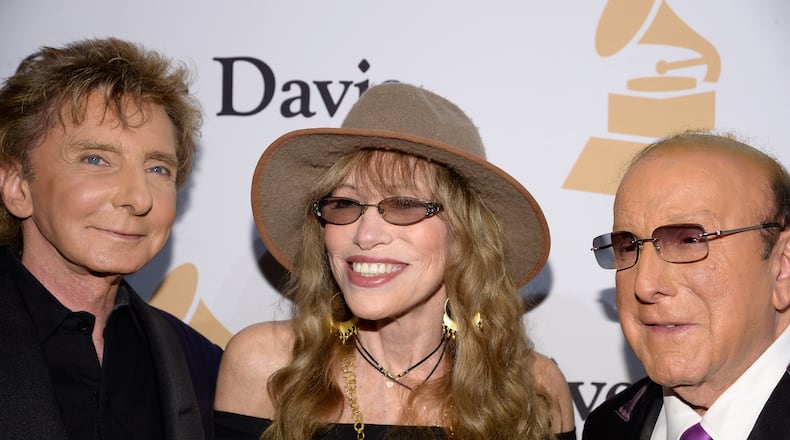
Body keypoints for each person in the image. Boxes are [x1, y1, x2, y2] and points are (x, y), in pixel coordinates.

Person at [214, 82, 575, 439]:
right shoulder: (267, 368)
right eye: (344, 204)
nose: (365, 234)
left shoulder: (532, 389)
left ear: (463, 233)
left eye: (404, 204)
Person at [0, 37, 222, 440]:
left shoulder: (202, 365)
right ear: (18, 186)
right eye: (96, 160)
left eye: (158, 169)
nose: (138, 198)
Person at [583, 131, 790, 439]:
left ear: (782, 267)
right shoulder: (608, 427)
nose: (644, 284)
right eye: (628, 246)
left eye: (689, 240)